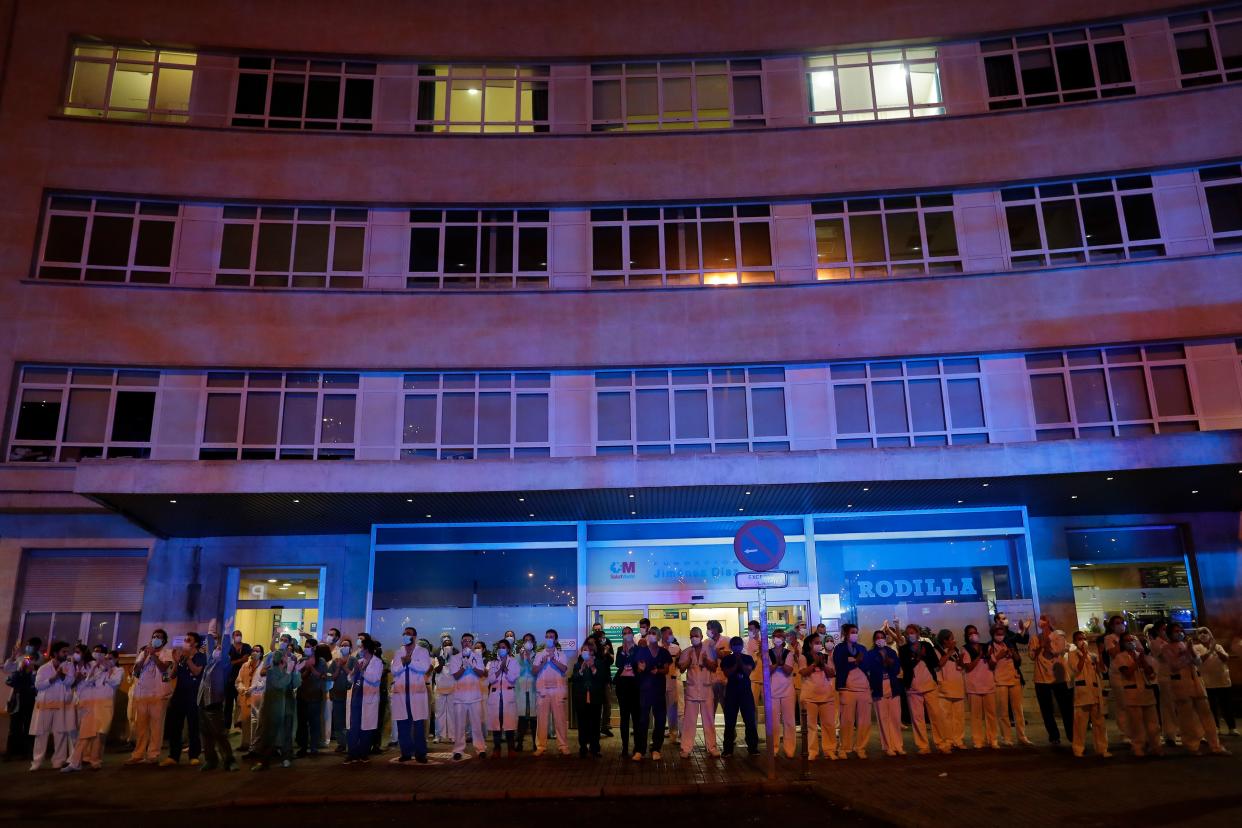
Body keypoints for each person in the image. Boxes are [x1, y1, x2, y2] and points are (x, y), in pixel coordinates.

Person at [1163, 622, 1230, 755]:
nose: (1179, 633)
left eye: (1180, 630)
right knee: (1187, 717)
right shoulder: (1167, 648)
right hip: (1181, 684)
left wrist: (1191, 652)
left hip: (1197, 682)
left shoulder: (1186, 645)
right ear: (1169, 634)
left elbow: (1198, 662)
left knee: (1206, 714)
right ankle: (1192, 746)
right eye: (1176, 631)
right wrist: (1187, 654)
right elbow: (1174, 665)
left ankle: (1215, 744)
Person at [64, 645, 122, 772]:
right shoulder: (89, 668)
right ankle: (78, 761)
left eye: (110, 658)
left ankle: (90, 760)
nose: (107, 660)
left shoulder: (111, 669)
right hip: (87, 703)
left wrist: (106, 669)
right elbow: (83, 681)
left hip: (100, 703)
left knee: (94, 734)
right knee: (85, 732)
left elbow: (111, 681)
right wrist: (93, 669)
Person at [252, 634, 301, 770]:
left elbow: (296, 684)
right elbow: (280, 684)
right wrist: (289, 672)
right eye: (286, 657)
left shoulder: (289, 670)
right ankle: (263, 761)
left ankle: (286, 757)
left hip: (288, 706)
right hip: (273, 707)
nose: (288, 658)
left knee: (287, 733)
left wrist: (296, 672)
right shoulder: (272, 671)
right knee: (269, 734)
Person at [899, 623, 949, 754]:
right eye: (908, 633)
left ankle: (941, 743)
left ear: (918, 633)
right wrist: (918, 656)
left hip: (930, 685)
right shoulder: (904, 649)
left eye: (912, 632)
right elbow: (906, 665)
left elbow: (935, 664)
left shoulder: (927, 646)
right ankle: (923, 746)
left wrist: (924, 655)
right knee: (917, 718)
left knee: (936, 715)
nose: (910, 635)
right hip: (913, 688)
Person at [126, 628, 174, 765]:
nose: (155, 638)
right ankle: (138, 754)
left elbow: (164, 668)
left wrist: (153, 655)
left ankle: (153, 754)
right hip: (142, 694)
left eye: (158, 637)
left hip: (158, 695)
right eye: (154, 636)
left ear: (164, 641)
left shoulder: (167, 653)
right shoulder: (144, 653)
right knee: (141, 726)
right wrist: (145, 655)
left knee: (156, 726)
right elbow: (136, 671)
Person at [29, 641, 78, 771]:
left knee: (60, 732)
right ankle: (37, 762)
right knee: (41, 734)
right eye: (64, 651)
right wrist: (53, 678)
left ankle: (58, 761)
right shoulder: (44, 668)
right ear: (56, 653)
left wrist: (61, 675)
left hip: (61, 705)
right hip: (45, 705)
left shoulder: (69, 667)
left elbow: (71, 682)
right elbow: (38, 685)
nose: (66, 654)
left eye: (67, 651)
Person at [197, 622, 239, 771]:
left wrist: (227, 631)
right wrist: (209, 631)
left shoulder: (224, 664)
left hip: (214, 703)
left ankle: (229, 760)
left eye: (219, 649)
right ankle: (210, 760)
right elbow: (209, 646)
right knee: (206, 735)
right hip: (202, 703)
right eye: (216, 649)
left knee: (219, 735)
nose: (216, 650)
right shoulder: (210, 662)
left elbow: (226, 646)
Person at [1114, 631, 1162, 757]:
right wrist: (1136, 662)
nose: (1131, 643)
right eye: (1128, 641)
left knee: (1153, 723)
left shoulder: (1143, 655)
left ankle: (1156, 745)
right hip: (1132, 692)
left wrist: (1143, 661)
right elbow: (1127, 673)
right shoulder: (1121, 657)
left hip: (1146, 691)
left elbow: (1150, 674)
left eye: (1132, 640)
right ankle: (1138, 747)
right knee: (1136, 723)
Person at [1028, 615, 1074, 746]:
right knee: (1047, 710)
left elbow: (1055, 651)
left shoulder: (1059, 637)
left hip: (1059, 678)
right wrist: (1039, 646)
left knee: (1066, 708)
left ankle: (1072, 735)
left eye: (1045, 620)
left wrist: (1046, 641)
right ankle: (1054, 736)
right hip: (1041, 679)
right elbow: (1032, 656)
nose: (1042, 622)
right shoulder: (1035, 638)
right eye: (1041, 620)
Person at [389, 627, 431, 764]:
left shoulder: (423, 651)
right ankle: (406, 752)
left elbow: (424, 667)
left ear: (414, 637)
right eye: (404, 634)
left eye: (409, 634)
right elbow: (394, 670)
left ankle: (420, 753)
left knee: (418, 725)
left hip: (416, 693)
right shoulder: (398, 652)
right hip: (401, 693)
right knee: (402, 724)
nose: (406, 636)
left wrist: (410, 662)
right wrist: (403, 662)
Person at [677, 626, 719, 757]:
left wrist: (706, 660)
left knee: (709, 721)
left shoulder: (710, 650)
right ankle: (686, 748)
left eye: (696, 635)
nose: (693, 638)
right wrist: (689, 661)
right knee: (689, 721)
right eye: (691, 636)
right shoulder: (687, 651)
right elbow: (681, 668)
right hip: (691, 690)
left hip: (706, 690)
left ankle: (712, 747)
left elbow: (714, 667)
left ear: (701, 637)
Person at [1068, 630, 1111, 758]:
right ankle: (1078, 749)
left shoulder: (1092, 655)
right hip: (1082, 693)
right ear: (1075, 642)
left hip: (1095, 692)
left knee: (1099, 723)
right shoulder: (1072, 654)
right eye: (1079, 639)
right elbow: (1077, 668)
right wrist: (1083, 654)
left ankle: (1102, 748)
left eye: (1084, 638)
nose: (1083, 641)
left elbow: (1102, 670)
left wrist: (1100, 655)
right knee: (1080, 724)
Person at [862, 629, 904, 757]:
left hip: (893, 687)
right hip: (878, 688)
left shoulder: (891, 652)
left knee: (895, 718)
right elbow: (868, 670)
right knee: (883, 718)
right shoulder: (870, 654)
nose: (880, 639)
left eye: (882, 637)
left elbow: (897, 669)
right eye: (878, 637)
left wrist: (889, 661)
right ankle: (887, 746)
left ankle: (898, 745)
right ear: (875, 640)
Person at [633, 623, 671, 761]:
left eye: (654, 633)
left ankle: (656, 748)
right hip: (644, 691)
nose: (651, 636)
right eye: (650, 633)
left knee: (660, 721)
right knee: (642, 720)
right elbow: (638, 668)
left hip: (659, 691)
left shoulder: (664, 652)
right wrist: (641, 669)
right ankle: (640, 750)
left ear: (659, 637)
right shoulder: (641, 651)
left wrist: (658, 671)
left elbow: (666, 669)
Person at [834, 623, 873, 759]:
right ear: (845, 634)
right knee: (846, 721)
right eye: (852, 632)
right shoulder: (839, 648)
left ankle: (861, 747)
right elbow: (840, 665)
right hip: (847, 689)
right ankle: (844, 748)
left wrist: (854, 661)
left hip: (864, 688)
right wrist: (855, 661)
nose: (855, 634)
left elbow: (867, 664)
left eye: (856, 632)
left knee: (864, 721)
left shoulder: (862, 648)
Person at [988, 623, 1030, 746]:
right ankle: (1007, 738)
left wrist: (1014, 653)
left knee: (1018, 710)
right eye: (997, 634)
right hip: (1000, 681)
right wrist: (998, 656)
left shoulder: (1009, 643)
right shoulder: (990, 646)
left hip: (1014, 678)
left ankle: (1022, 736)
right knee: (1003, 712)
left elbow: (1019, 661)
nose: (1000, 636)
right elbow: (990, 665)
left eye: (1002, 633)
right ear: (993, 634)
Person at [447, 632, 486, 760]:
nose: (467, 643)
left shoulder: (477, 657)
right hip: (459, 698)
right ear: (461, 643)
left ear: (473, 643)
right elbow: (456, 675)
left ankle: (480, 749)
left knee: (476, 725)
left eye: (469, 641)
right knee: (459, 726)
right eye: (465, 641)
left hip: (475, 696)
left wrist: (472, 664)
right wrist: (464, 666)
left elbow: (481, 674)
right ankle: (458, 749)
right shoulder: (455, 658)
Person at [799, 632, 837, 760]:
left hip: (826, 695)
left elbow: (832, 673)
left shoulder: (825, 657)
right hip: (809, 696)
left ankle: (830, 750)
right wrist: (814, 664)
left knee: (829, 724)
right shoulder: (803, 657)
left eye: (819, 643)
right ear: (810, 644)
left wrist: (823, 665)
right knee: (811, 725)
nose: (819, 645)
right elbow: (803, 672)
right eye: (816, 642)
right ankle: (812, 751)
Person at [345, 637, 383, 764]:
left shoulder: (377, 662)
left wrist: (363, 671)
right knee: (353, 727)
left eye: (361, 647)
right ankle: (352, 753)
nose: (359, 650)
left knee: (366, 727)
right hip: (356, 697)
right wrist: (354, 671)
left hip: (368, 698)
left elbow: (375, 679)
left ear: (367, 649)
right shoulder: (359, 661)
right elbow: (350, 679)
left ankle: (364, 753)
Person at [533, 629, 570, 756]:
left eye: (551, 637)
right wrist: (543, 662)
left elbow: (564, 669)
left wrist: (553, 660)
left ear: (555, 639)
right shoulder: (539, 654)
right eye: (547, 636)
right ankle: (541, 746)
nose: (549, 638)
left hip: (557, 691)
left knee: (560, 719)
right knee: (542, 720)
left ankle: (563, 745)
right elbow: (534, 670)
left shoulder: (561, 654)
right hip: (543, 691)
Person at [4, 637, 42, 760]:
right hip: (18, 696)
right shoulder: (24, 658)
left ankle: (26, 752)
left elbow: (34, 670)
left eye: (32, 645)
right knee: (15, 726)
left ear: (38, 647)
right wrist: (13, 657)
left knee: (28, 726)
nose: (29, 647)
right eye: (28, 645)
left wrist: (30, 666)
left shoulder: (41, 660)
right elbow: (9, 669)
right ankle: (11, 752)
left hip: (31, 697)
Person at [721, 636, 759, 756]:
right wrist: (736, 662)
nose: (737, 646)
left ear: (742, 646)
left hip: (745, 693)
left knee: (750, 720)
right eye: (735, 644)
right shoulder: (727, 659)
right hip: (732, 693)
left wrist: (740, 661)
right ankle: (727, 749)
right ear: (731, 646)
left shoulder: (748, 658)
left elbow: (747, 672)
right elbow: (728, 673)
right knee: (730, 722)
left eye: (739, 644)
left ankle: (753, 747)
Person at [962, 624, 998, 749]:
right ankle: (978, 740)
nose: (974, 635)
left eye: (975, 632)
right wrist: (979, 656)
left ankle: (993, 739)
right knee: (976, 716)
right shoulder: (965, 649)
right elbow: (968, 667)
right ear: (967, 636)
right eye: (970, 633)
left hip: (988, 684)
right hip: (973, 686)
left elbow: (993, 665)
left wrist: (989, 657)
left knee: (991, 714)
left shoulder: (986, 646)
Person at [1195, 627, 1236, 735]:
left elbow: (1225, 659)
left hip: (1222, 681)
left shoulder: (1218, 646)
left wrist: (1216, 650)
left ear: (1210, 634)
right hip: (1207, 683)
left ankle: (1232, 728)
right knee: (1211, 707)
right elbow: (1199, 660)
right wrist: (1210, 651)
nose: (1203, 634)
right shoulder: (1196, 648)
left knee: (1227, 706)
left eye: (1205, 632)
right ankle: (1215, 727)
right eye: (1200, 633)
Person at [1146, 620, 1180, 745]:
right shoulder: (1156, 643)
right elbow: (1164, 656)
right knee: (1168, 706)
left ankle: (1178, 732)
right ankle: (1170, 734)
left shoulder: (1173, 643)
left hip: (1177, 677)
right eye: (1163, 629)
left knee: (1177, 705)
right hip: (1165, 677)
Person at [765, 627, 797, 759]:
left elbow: (788, 670)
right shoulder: (767, 653)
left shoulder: (789, 653)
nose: (777, 638)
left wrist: (780, 664)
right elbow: (767, 671)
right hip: (772, 691)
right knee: (773, 722)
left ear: (784, 639)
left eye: (779, 636)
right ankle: (774, 748)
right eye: (774, 636)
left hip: (787, 691)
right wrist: (777, 664)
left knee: (789, 720)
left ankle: (790, 748)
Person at [570, 638, 606, 757]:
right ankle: (583, 747)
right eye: (583, 650)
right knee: (583, 723)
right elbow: (574, 679)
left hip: (595, 697)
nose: (584, 652)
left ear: (592, 651)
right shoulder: (578, 664)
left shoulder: (599, 663)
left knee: (595, 723)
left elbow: (603, 679)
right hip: (581, 698)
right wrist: (581, 670)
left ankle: (595, 748)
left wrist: (593, 667)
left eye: (586, 650)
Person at [486, 637, 520, 757]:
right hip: (495, 696)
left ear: (508, 649)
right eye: (500, 648)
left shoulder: (514, 662)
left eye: (504, 648)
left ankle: (511, 749)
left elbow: (513, 678)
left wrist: (505, 668)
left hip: (508, 695)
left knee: (509, 724)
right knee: (496, 724)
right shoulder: (493, 663)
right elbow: (490, 679)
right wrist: (499, 669)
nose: (501, 650)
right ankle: (496, 748)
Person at [294, 639, 328, 757]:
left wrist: (312, 668)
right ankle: (303, 747)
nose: (306, 648)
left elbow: (323, 676)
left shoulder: (321, 661)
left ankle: (314, 747)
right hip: (302, 695)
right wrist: (307, 668)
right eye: (305, 646)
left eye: (308, 646)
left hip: (315, 696)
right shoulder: (302, 660)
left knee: (314, 723)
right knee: (302, 723)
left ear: (314, 647)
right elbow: (298, 677)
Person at [935, 630, 967, 749]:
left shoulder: (957, 651)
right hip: (944, 689)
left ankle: (958, 740)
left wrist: (960, 661)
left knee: (958, 717)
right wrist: (949, 652)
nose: (954, 640)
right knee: (945, 718)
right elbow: (939, 664)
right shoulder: (937, 650)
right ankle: (947, 740)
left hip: (957, 686)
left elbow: (960, 666)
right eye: (951, 638)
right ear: (945, 640)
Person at [1099, 615, 1129, 742]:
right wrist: (1122, 642)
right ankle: (1125, 732)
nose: (1121, 625)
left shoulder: (1130, 637)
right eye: (1117, 623)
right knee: (1122, 703)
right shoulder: (1109, 638)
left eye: (1122, 622)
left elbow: (1139, 649)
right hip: (1117, 673)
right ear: (1112, 626)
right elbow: (1113, 653)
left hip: (1131, 671)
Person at [612, 626, 640, 758]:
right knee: (624, 717)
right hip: (622, 686)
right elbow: (618, 664)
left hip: (635, 686)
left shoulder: (638, 649)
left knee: (636, 717)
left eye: (629, 633)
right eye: (624, 633)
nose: (627, 635)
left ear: (632, 635)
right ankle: (624, 747)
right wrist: (624, 652)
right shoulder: (619, 649)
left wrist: (630, 654)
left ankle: (637, 746)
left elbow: (637, 664)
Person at [326, 639, 353, 752]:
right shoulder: (335, 661)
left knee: (349, 721)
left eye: (346, 645)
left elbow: (353, 676)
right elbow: (331, 677)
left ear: (350, 648)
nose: (343, 647)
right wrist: (338, 666)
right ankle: (341, 743)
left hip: (350, 696)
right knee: (338, 721)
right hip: (337, 695)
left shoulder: (354, 660)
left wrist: (344, 666)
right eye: (342, 645)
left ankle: (351, 743)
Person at [235, 645, 262, 753]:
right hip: (245, 697)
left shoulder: (263, 666)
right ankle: (245, 744)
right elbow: (239, 680)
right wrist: (242, 689)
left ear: (261, 653)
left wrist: (253, 688)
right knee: (245, 722)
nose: (255, 652)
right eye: (253, 650)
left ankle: (255, 746)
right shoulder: (245, 666)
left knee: (256, 723)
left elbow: (263, 681)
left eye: (257, 651)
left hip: (257, 699)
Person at [224, 630, 251, 737]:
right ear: (233, 637)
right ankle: (226, 727)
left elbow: (246, 659)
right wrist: (240, 660)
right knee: (228, 705)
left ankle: (238, 726)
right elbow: (228, 663)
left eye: (240, 634)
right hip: (230, 679)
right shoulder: (229, 648)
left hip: (242, 680)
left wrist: (235, 661)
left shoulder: (246, 646)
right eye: (237, 635)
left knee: (241, 704)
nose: (239, 636)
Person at [590, 623, 615, 738]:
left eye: (599, 630)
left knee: (607, 704)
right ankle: (594, 728)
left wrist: (607, 652)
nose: (597, 632)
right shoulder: (590, 643)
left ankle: (605, 726)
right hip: (594, 679)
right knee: (596, 705)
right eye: (595, 630)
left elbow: (612, 660)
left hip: (606, 678)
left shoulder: (607, 641)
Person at [514, 633, 538, 751]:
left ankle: (536, 743)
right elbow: (517, 672)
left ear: (533, 643)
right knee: (522, 719)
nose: (528, 642)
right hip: (521, 690)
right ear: (523, 643)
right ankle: (519, 744)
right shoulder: (517, 657)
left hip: (533, 690)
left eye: (530, 640)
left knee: (534, 718)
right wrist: (523, 660)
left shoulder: (537, 656)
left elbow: (536, 672)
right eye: (526, 640)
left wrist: (529, 659)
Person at [432, 634, 456, 744]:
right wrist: (443, 658)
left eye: (449, 644)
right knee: (439, 713)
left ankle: (452, 736)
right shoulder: (437, 654)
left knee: (452, 713)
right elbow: (436, 670)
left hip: (452, 689)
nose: (447, 645)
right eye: (445, 644)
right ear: (442, 645)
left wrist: (451, 657)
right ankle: (438, 735)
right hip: (440, 689)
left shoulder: (456, 655)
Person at [661, 626, 681, 746]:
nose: (671, 635)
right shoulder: (657, 647)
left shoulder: (676, 648)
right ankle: (658, 735)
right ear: (663, 635)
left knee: (673, 709)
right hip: (660, 681)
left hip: (672, 681)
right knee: (659, 710)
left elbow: (679, 664)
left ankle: (674, 735)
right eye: (669, 633)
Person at [743, 619, 764, 723]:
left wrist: (762, 651)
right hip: (752, 678)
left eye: (752, 629)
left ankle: (770, 734)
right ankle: (753, 732)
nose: (750, 631)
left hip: (766, 679)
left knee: (769, 706)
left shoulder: (766, 641)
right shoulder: (745, 641)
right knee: (752, 706)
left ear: (758, 629)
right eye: (749, 629)